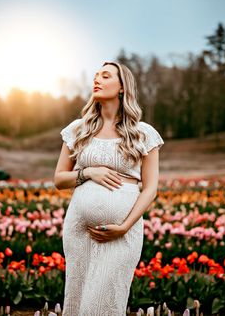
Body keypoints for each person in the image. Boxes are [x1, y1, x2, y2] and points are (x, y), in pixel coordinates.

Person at [54, 61, 164, 316]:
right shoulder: (78, 129)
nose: (97, 79)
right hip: (79, 230)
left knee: (105, 301)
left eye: (105, 75)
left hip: (122, 231)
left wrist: (125, 226)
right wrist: (89, 172)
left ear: (122, 87)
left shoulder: (143, 133)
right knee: (77, 298)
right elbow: (59, 179)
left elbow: (151, 189)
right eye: (95, 75)